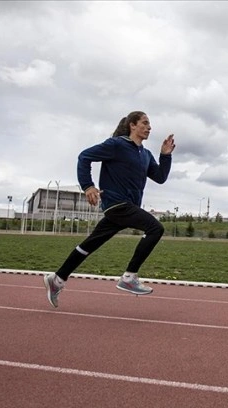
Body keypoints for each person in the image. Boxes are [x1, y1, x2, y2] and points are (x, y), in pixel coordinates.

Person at [43, 111, 176, 308]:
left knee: (89, 245)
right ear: (132, 125)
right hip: (117, 204)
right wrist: (88, 186)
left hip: (126, 208)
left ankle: (57, 279)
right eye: (145, 123)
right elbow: (84, 156)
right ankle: (129, 277)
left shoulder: (145, 155)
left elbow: (160, 177)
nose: (149, 127)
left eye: (150, 124)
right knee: (155, 228)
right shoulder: (117, 145)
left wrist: (165, 156)